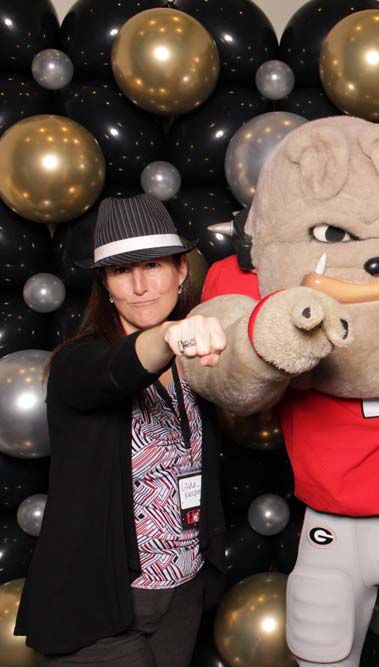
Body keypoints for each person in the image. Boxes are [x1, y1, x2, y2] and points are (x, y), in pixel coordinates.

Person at [15, 194, 228, 667]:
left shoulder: (201, 365)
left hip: (183, 590)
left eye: (152, 265)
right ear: (105, 286)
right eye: (120, 271)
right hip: (101, 605)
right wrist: (167, 336)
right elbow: (115, 370)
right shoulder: (77, 363)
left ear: (180, 271)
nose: (139, 286)